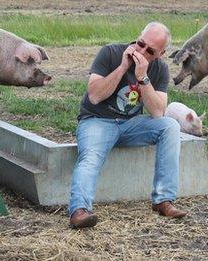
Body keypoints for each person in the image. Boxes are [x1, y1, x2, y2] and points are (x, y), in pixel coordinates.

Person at [68, 22, 187, 229]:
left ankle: (163, 200)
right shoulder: (111, 53)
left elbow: (158, 112)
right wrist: (123, 67)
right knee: (90, 157)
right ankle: (79, 210)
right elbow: (95, 96)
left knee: (170, 126)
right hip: (97, 121)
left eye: (150, 50)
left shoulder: (160, 69)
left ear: (161, 53)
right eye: (141, 43)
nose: (141, 51)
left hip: (130, 125)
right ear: (137, 37)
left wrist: (143, 78)